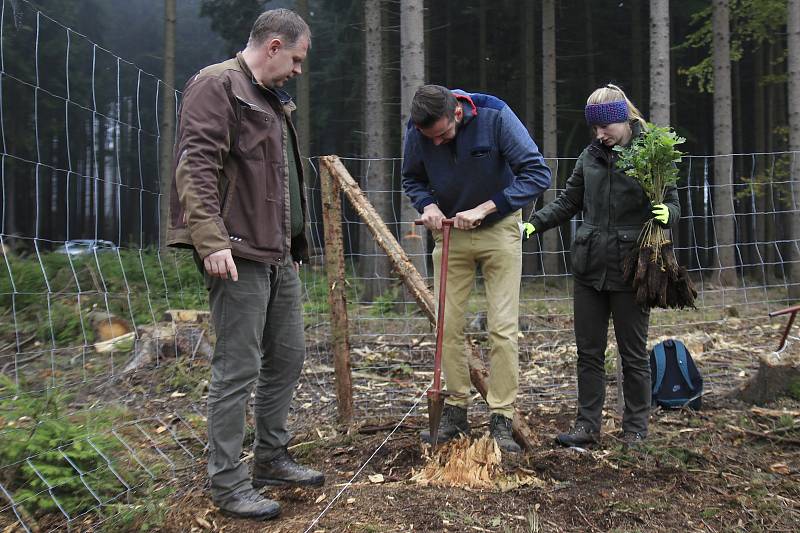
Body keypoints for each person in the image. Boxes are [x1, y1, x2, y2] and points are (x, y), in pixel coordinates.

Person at [167, 9, 323, 521]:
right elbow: (196, 164)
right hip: (234, 254)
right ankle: (228, 483)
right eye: (297, 59)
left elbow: (278, 184)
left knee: (289, 355)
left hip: (277, 254)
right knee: (237, 368)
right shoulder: (218, 86)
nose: (299, 70)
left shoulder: (271, 100)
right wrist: (210, 241)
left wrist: (293, 247)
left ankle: (272, 458)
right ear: (275, 46)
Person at [527, 84, 680, 448]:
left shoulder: (653, 155)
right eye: (594, 128)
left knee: (633, 354)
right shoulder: (589, 157)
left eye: (604, 127)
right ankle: (587, 426)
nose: (599, 134)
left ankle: (635, 429)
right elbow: (568, 202)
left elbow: (673, 202)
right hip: (589, 268)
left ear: (623, 120)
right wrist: (534, 223)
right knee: (588, 352)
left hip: (633, 269)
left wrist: (666, 214)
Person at [402, 85, 551, 453]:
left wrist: (485, 209)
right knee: (447, 326)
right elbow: (412, 178)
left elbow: (536, 174)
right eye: (428, 138)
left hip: (498, 228)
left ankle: (501, 416)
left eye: (442, 135)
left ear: (456, 114)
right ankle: (455, 410)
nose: (436, 144)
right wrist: (428, 206)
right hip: (450, 232)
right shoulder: (417, 129)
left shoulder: (495, 115)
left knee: (501, 327)